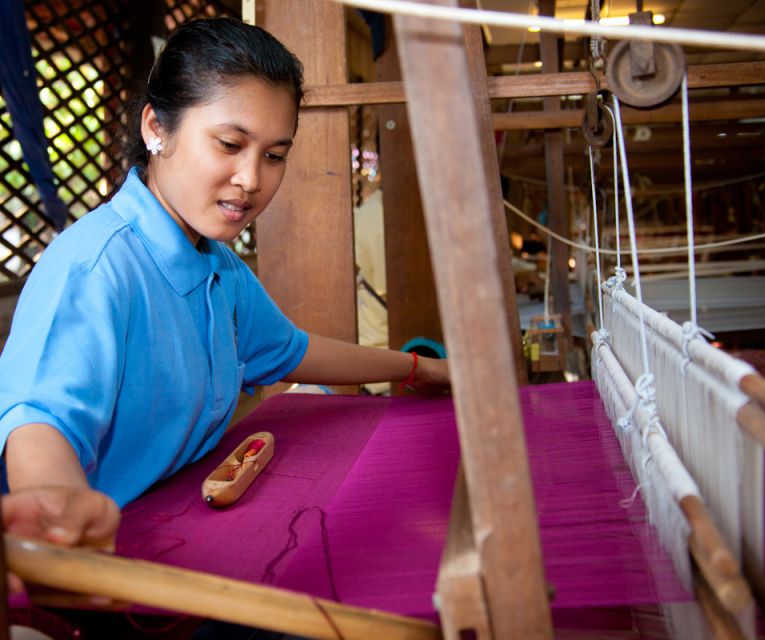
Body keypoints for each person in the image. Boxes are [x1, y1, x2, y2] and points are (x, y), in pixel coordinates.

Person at [0, 18, 449, 554]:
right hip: (93, 565)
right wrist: (57, 503)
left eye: (274, 155)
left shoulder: (218, 268)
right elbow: (39, 419)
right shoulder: (96, 267)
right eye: (230, 143)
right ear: (156, 129)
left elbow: (293, 351)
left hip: (175, 529)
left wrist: (416, 368)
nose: (252, 178)